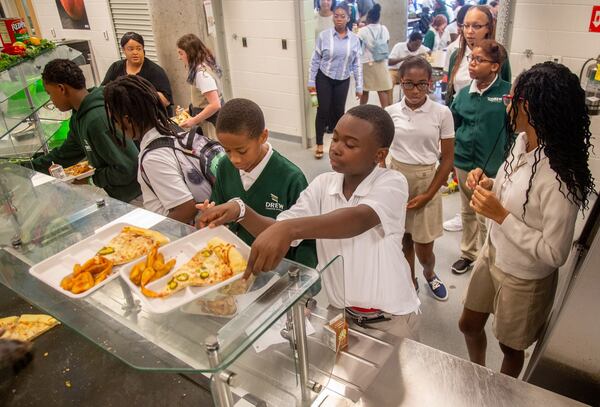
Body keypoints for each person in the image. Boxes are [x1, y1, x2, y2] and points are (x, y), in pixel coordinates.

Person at [198, 105, 421, 339]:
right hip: (341, 313)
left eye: (350, 144)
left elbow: (359, 219)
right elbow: (280, 229)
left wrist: (288, 229)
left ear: (379, 155)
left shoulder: (391, 182)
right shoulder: (323, 185)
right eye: (334, 138)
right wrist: (240, 210)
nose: (336, 148)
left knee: (390, 374)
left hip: (390, 318)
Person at [458, 62, 595, 378]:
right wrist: (491, 182)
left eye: (510, 99)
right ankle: (477, 376)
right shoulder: (523, 142)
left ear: (528, 107)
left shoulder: (562, 178)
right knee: (468, 323)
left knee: (510, 347)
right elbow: (517, 192)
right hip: (493, 253)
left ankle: (499, 394)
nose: (507, 103)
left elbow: (555, 253)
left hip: (524, 276)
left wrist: (500, 215)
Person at [201, 98, 317, 268]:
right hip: (234, 263)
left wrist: (302, 283)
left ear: (263, 136)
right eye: (227, 150)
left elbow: (306, 244)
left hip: (276, 270)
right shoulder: (225, 166)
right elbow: (220, 204)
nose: (234, 159)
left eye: (242, 151)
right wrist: (212, 213)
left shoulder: (291, 178)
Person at [104, 75, 219, 224]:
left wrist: (155, 232)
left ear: (126, 120)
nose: (116, 126)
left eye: (114, 119)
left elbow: (185, 209)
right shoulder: (172, 129)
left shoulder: (153, 158)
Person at [386, 56, 454, 301]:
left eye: (421, 84)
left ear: (430, 84)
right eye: (408, 84)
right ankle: (409, 280)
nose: (415, 90)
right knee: (403, 239)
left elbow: (447, 159)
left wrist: (428, 194)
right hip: (397, 181)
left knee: (424, 247)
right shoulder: (390, 112)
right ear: (400, 83)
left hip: (427, 181)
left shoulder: (441, 113)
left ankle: (429, 273)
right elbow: (382, 151)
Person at [32, 59, 141, 203]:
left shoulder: (97, 119)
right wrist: (29, 167)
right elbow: (67, 153)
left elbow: (128, 167)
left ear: (61, 88)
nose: (51, 100)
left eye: (49, 94)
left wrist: (91, 179)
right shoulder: (79, 116)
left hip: (136, 196)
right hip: (119, 195)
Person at [449, 40, 511, 274]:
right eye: (470, 59)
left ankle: (488, 258)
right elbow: (453, 127)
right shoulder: (464, 94)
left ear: (495, 66)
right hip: (464, 162)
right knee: (467, 211)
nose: (472, 64)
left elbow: (516, 132)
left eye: (479, 60)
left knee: (487, 215)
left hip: (495, 167)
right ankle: (468, 253)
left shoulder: (507, 94)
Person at [308, 2, 362, 159]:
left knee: (339, 113)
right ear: (333, 17)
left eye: (342, 16)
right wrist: (311, 82)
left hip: (343, 79)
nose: (339, 19)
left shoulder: (354, 40)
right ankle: (319, 144)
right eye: (336, 16)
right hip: (323, 77)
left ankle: (336, 145)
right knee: (323, 110)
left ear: (348, 18)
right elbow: (315, 61)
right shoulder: (324, 36)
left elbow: (357, 64)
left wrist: (359, 85)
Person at [446, 5, 510, 105]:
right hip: (459, 114)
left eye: (476, 26)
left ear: (488, 28)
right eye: (466, 26)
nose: (470, 31)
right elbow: (449, 94)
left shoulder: (499, 54)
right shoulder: (456, 55)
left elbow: (505, 93)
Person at [102, 32, 173, 115]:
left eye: (139, 48)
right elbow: (104, 89)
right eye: (131, 49)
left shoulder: (155, 71)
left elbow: (166, 101)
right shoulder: (116, 67)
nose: (135, 52)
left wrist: (142, 95)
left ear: (143, 49)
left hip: (151, 117)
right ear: (123, 50)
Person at [176, 33, 223, 140]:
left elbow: (215, 105)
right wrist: (188, 110)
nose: (179, 58)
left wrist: (193, 120)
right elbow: (203, 100)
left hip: (211, 123)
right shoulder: (207, 64)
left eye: (181, 53)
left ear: (190, 53)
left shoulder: (201, 75)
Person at [357, 4, 392, 107]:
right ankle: (385, 112)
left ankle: (361, 111)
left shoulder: (362, 30)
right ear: (378, 18)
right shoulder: (384, 29)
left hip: (368, 63)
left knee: (365, 91)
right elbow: (387, 42)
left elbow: (359, 47)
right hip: (381, 62)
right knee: (382, 91)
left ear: (368, 18)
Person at [387, 32, 430, 103]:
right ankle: (389, 105)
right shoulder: (399, 46)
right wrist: (404, 58)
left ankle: (416, 102)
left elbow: (429, 51)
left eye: (419, 45)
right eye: (415, 45)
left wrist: (422, 56)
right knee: (389, 83)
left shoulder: (420, 47)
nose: (417, 47)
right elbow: (389, 62)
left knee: (422, 82)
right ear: (409, 41)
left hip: (413, 73)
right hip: (396, 71)